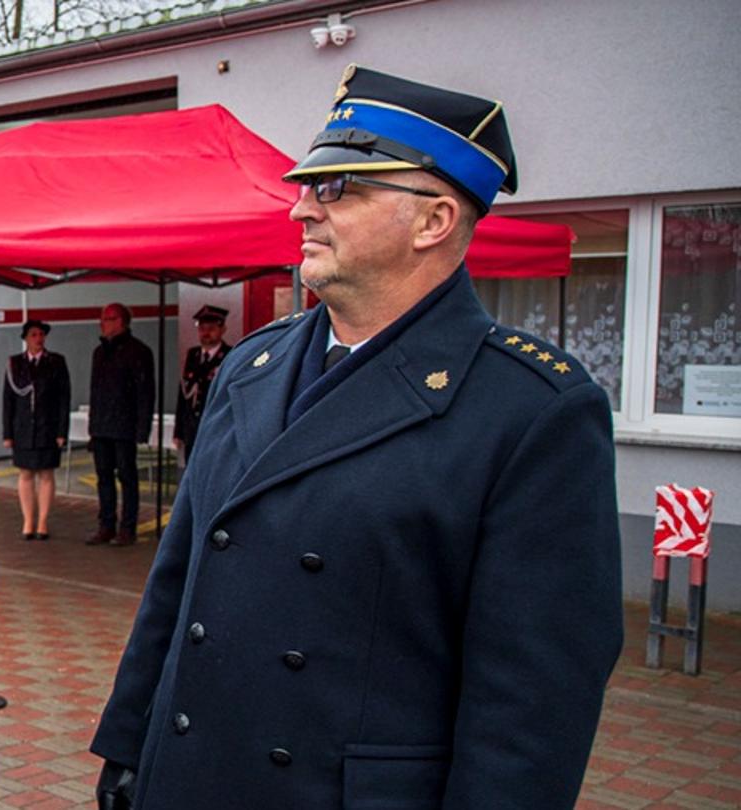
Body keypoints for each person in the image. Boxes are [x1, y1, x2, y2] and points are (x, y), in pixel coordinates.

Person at [90, 66, 621, 810]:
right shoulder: (252, 365)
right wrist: (128, 740)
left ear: (433, 222)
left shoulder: (531, 409)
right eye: (308, 187)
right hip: (192, 773)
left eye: (338, 189)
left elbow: (533, 700)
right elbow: (179, 578)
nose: (301, 210)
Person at [86, 302, 153, 546]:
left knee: (127, 477)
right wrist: (93, 428)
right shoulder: (99, 353)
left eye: (108, 319)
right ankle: (106, 524)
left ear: (121, 322)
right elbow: (95, 392)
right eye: (102, 319)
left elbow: (145, 393)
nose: (103, 324)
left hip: (125, 427)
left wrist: (142, 429)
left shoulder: (138, 352)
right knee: (103, 478)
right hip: (102, 425)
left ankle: (128, 527)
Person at [2, 319, 70, 541]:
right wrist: (7, 433)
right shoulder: (15, 364)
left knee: (47, 473)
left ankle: (42, 522)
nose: (38, 339)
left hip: (47, 427)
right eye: (34, 335)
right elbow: (8, 400)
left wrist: (62, 431)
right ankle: (28, 520)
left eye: (41, 335)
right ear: (26, 338)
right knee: (25, 474)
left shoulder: (56, 362)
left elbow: (63, 399)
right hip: (23, 429)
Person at [171, 305, 229, 466]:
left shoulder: (229, 355)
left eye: (211, 328)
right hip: (192, 430)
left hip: (215, 430)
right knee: (192, 471)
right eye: (202, 328)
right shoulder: (193, 355)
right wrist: (179, 431)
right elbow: (184, 394)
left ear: (223, 329)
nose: (206, 333)